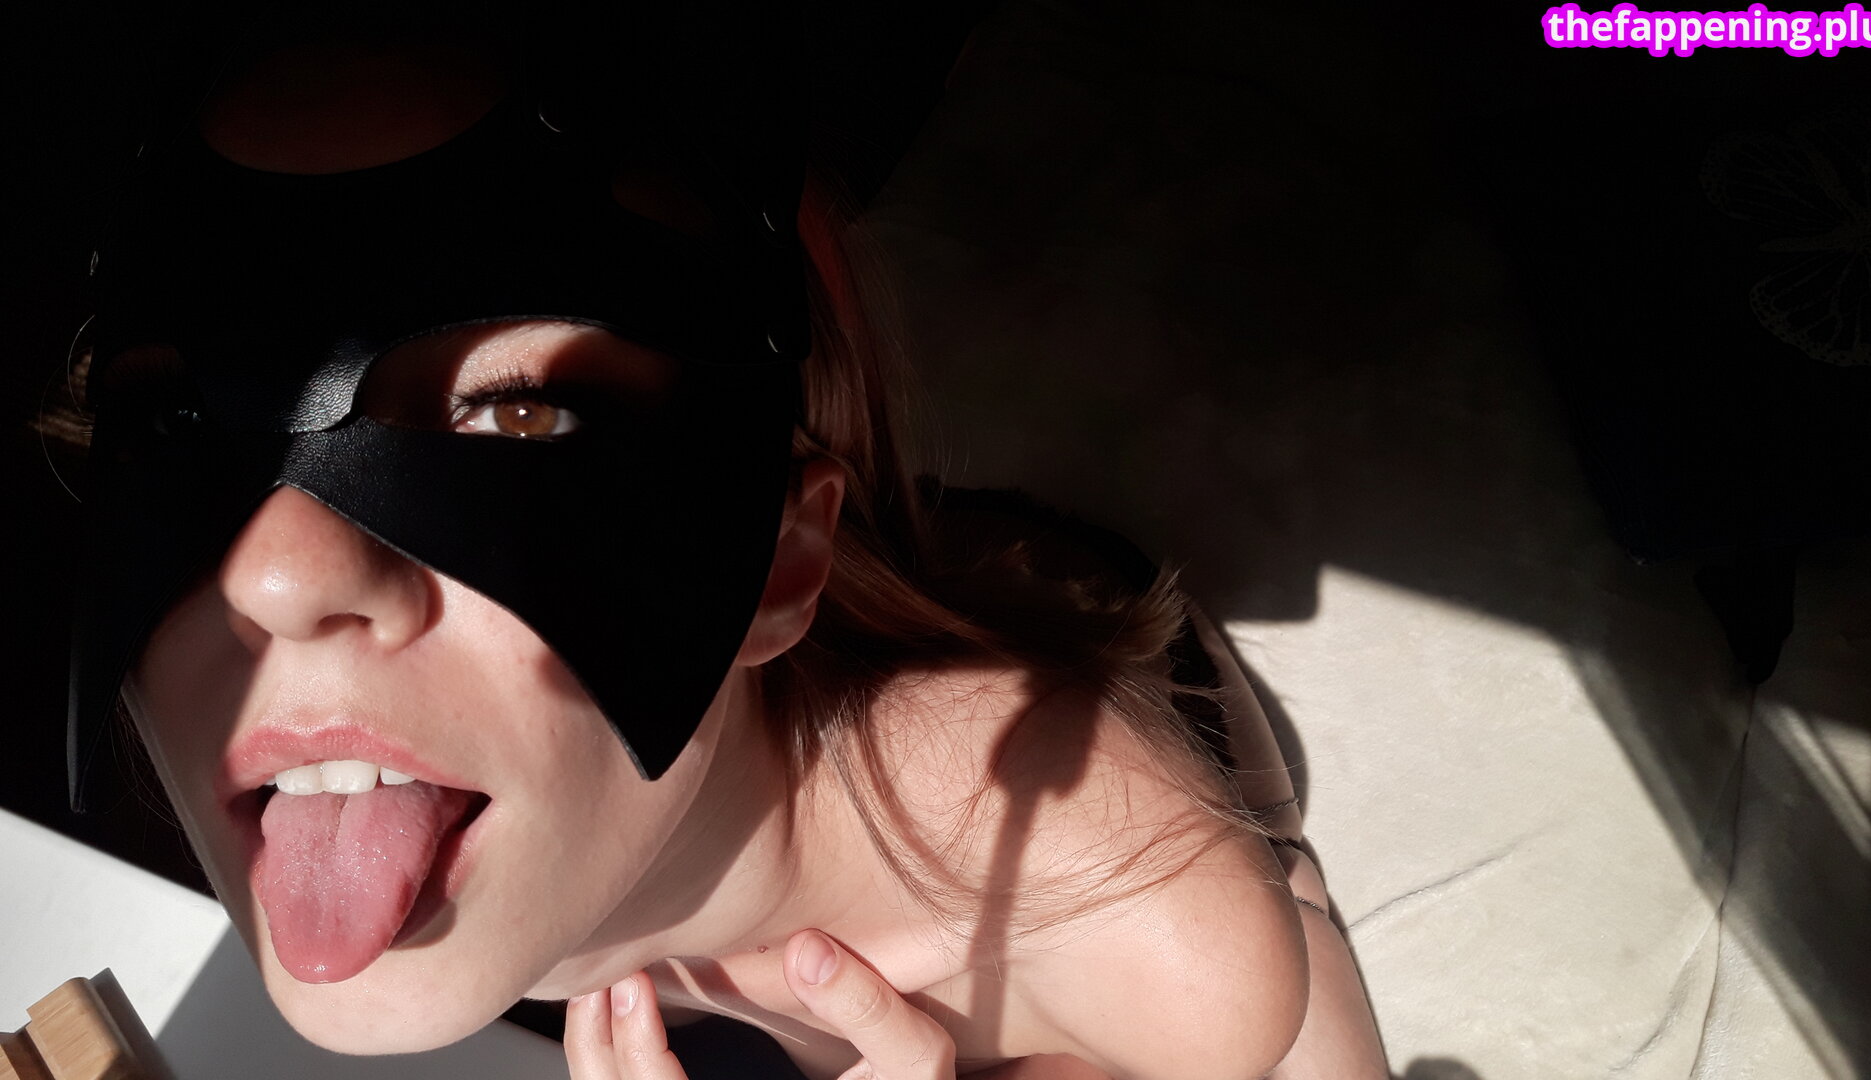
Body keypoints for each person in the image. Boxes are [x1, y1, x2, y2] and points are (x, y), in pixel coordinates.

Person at [60, 8, 1387, 1078]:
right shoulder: (352, 773)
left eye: (518, 415)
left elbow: (1272, 1015)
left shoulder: (1131, 914)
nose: (273, 574)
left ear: (780, 558)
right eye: (171, 425)